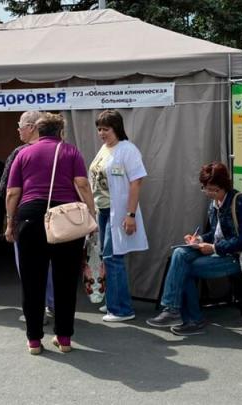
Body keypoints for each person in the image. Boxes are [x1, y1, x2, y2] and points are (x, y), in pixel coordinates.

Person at [5, 113, 95, 355]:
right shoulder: (71, 151)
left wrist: (10, 223)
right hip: (65, 217)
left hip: (30, 217)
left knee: (32, 281)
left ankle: (34, 340)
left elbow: (12, 192)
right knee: (65, 280)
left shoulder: (23, 153)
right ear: (61, 132)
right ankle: (64, 338)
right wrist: (92, 213)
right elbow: (82, 184)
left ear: (39, 131)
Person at [146, 161, 242, 335]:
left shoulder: (239, 201)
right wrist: (199, 239)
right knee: (180, 253)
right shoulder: (214, 204)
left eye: (214, 190)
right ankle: (174, 310)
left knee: (184, 268)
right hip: (219, 252)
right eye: (206, 189)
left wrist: (214, 248)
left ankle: (188, 317)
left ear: (224, 186)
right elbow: (215, 232)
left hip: (236, 257)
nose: (210, 193)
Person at [89, 110, 148, 322]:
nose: (101, 133)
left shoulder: (128, 150)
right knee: (109, 257)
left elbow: (136, 182)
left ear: (117, 128)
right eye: (99, 129)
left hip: (119, 212)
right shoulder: (105, 148)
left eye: (106, 129)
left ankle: (122, 309)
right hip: (103, 211)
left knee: (113, 258)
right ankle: (113, 301)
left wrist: (130, 214)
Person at [0, 110, 55, 323]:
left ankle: (36, 312)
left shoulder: (20, 152)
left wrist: (9, 221)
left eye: (20, 126)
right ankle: (54, 305)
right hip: (56, 215)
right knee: (53, 263)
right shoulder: (61, 149)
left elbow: (7, 189)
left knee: (29, 266)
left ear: (31, 127)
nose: (18, 130)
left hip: (26, 215)